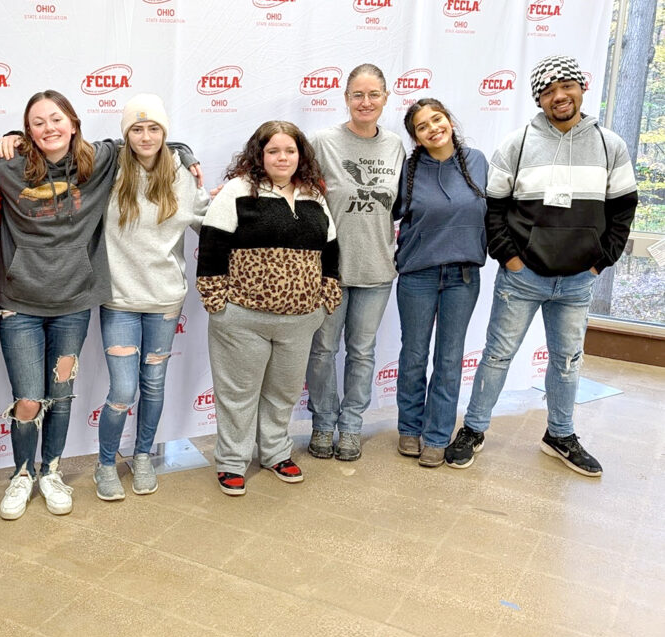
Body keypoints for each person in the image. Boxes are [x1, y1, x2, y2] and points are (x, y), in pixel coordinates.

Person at [0, 88, 200, 519]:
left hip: (73, 304)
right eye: (38, 123)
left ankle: (52, 472)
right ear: (26, 131)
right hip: (20, 305)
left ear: (74, 124)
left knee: (60, 397)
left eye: (57, 119)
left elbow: (147, 140)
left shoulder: (100, 159)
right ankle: (22, 474)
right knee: (27, 399)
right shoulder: (7, 160)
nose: (49, 128)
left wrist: (185, 150)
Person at [445, 55, 638, 476]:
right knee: (497, 356)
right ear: (539, 99)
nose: (559, 96)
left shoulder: (610, 145)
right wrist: (510, 258)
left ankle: (560, 435)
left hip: (578, 280)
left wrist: (600, 261)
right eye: (548, 91)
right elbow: (493, 208)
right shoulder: (517, 144)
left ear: (582, 88)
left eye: (566, 86)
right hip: (523, 277)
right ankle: (474, 429)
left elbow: (624, 208)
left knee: (567, 361)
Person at [197, 121, 341, 496]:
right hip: (242, 319)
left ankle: (276, 453)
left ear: (300, 155)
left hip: (300, 321)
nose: (282, 157)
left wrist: (326, 298)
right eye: (273, 150)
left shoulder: (313, 195)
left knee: (284, 393)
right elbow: (211, 249)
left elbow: (330, 251)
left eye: (290, 150)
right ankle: (232, 461)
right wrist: (218, 303)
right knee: (238, 395)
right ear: (259, 155)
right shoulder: (237, 191)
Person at [92, 94, 209, 501]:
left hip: (165, 301)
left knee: (154, 386)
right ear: (125, 134)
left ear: (165, 133)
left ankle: (143, 456)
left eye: (154, 128)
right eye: (137, 129)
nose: (145, 136)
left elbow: (208, 223)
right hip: (120, 301)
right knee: (123, 391)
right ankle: (105, 463)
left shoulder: (181, 174)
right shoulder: (108, 170)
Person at [305, 63, 406, 462]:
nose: (366, 102)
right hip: (330, 270)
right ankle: (323, 422)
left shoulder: (395, 146)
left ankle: (350, 425)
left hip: (377, 268)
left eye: (373, 94)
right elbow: (291, 183)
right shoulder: (322, 142)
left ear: (386, 97)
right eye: (358, 95)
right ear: (346, 98)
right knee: (323, 350)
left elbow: (399, 205)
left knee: (362, 352)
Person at [393, 99, 488, 468]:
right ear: (416, 138)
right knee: (413, 356)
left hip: (462, 277)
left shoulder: (477, 161)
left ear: (449, 120)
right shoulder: (408, 169)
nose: (433, 128)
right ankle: (409, 428)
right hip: (418, 274)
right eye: (422, 126)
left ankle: (437, 436)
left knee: (449, 359)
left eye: (437, 119)